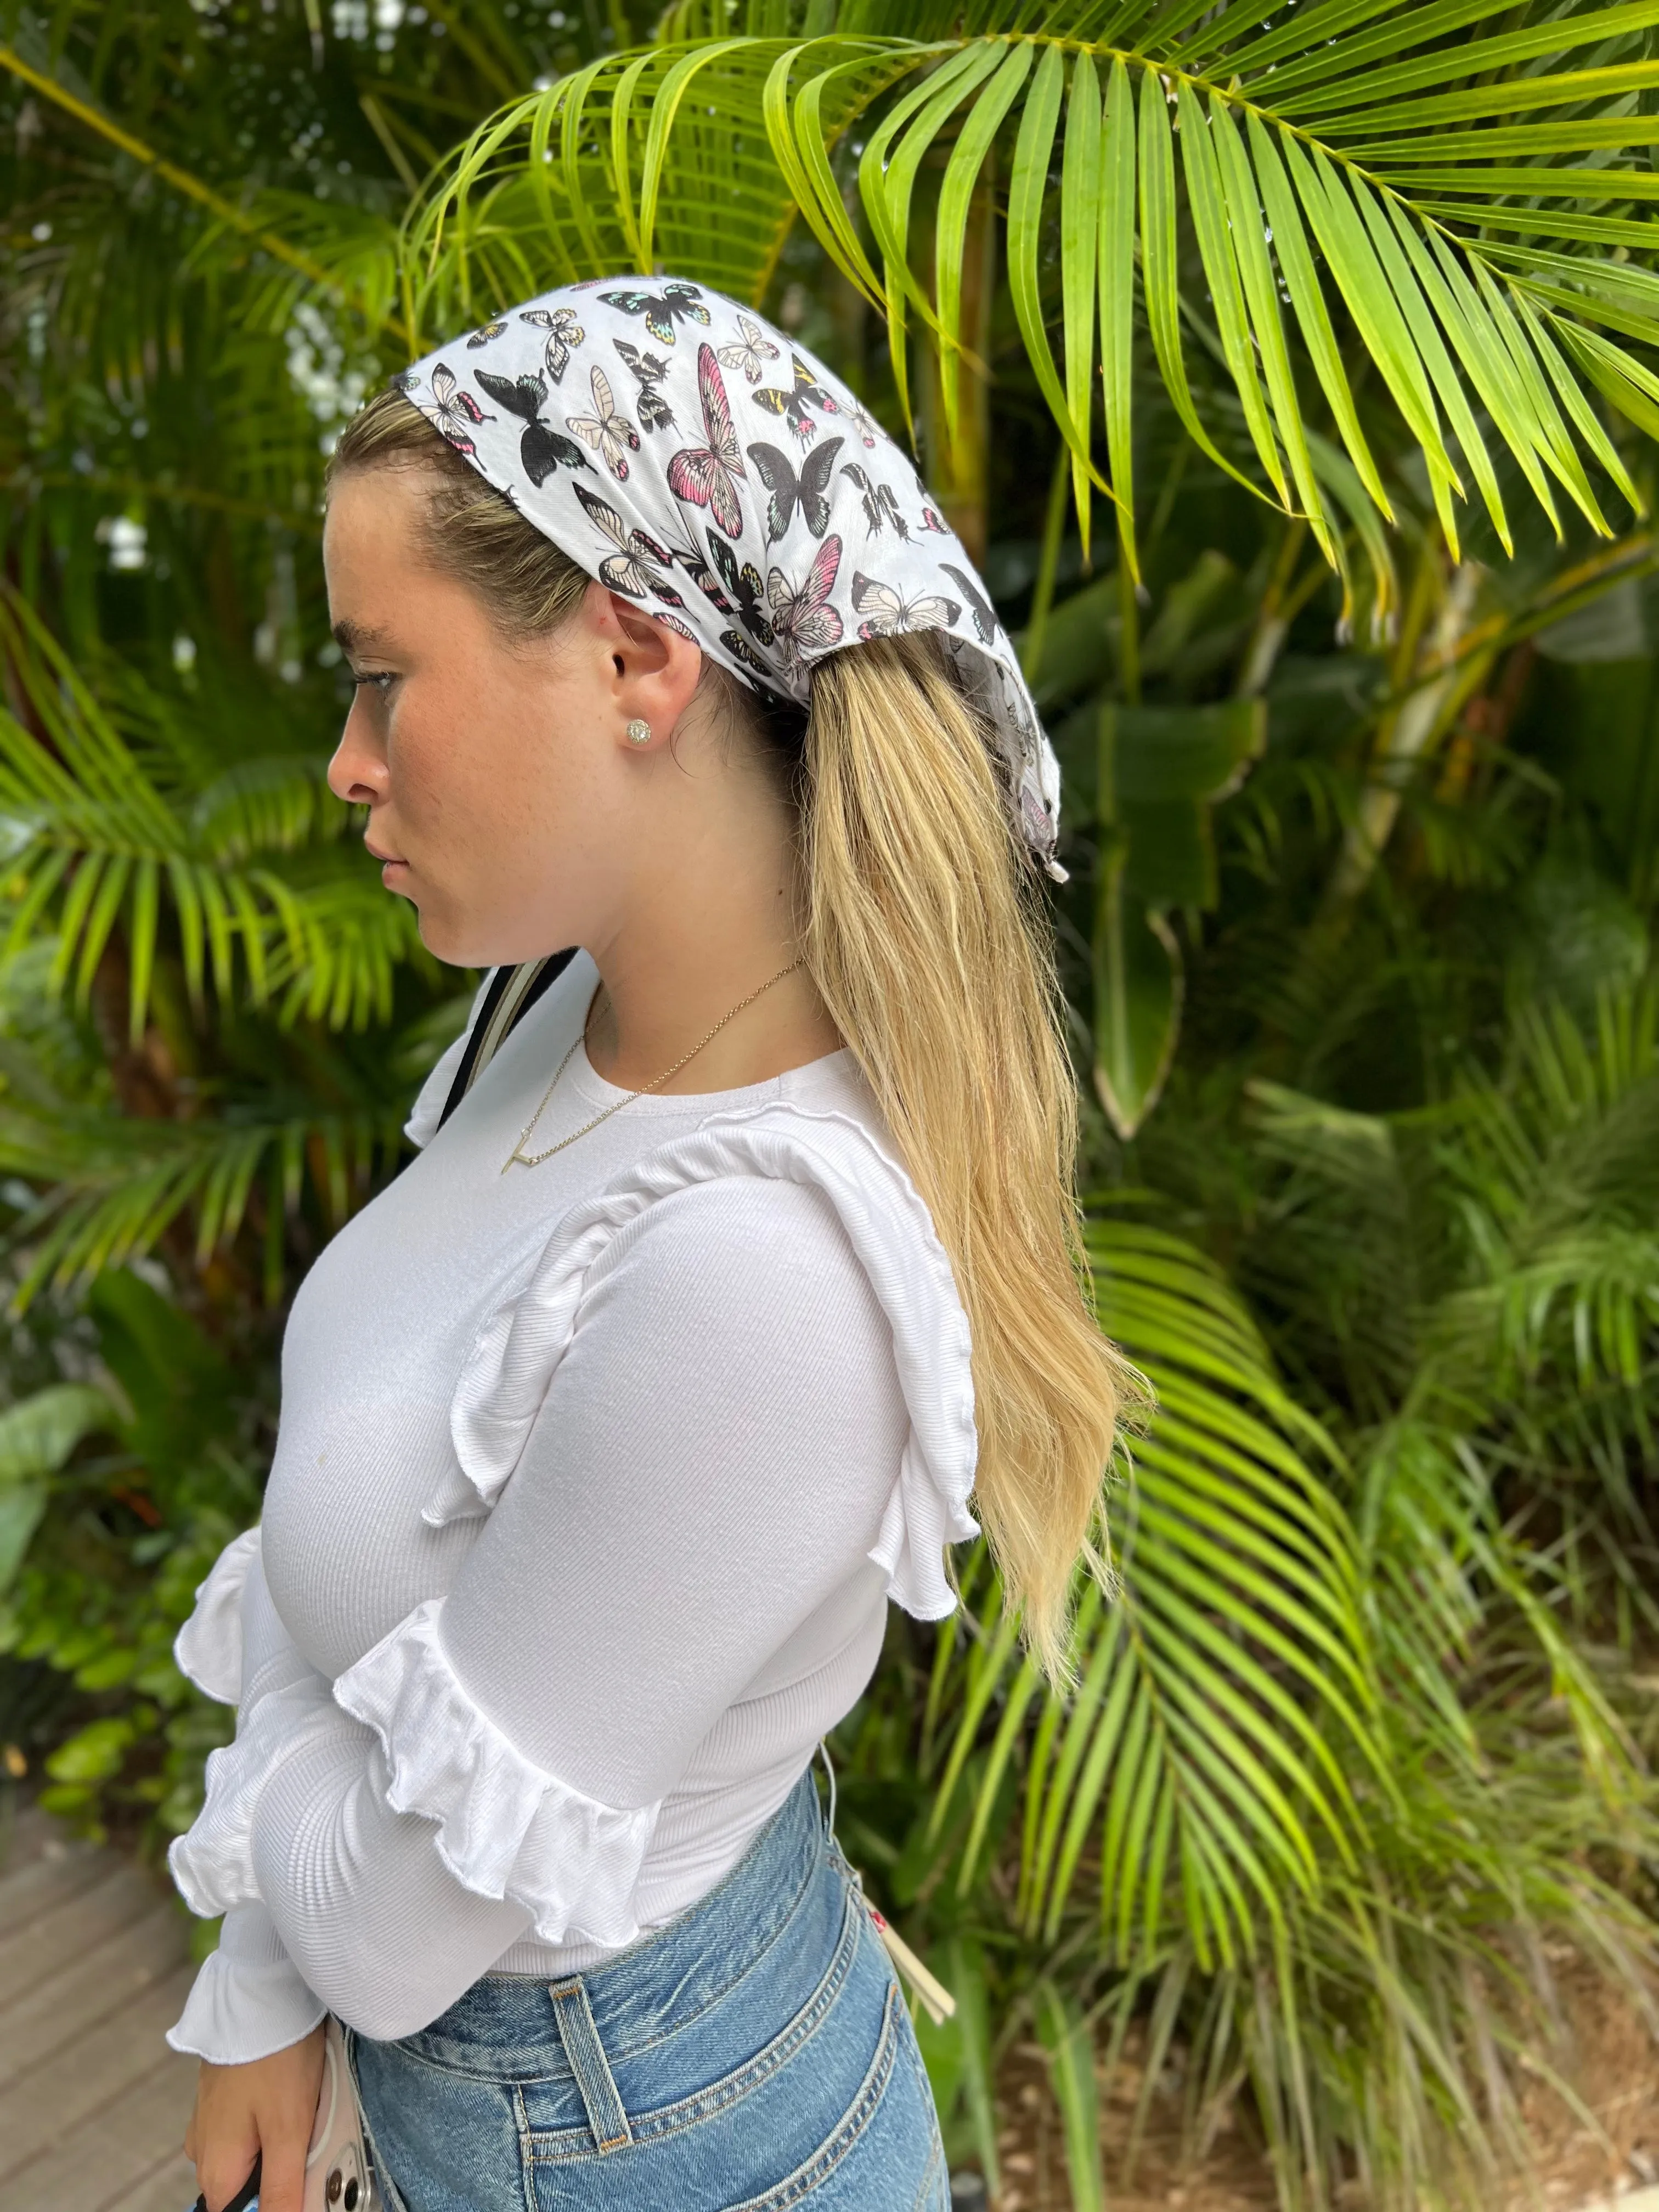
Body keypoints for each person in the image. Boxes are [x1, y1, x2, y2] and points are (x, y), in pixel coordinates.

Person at [167, 276, 1135, 2212]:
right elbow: (345, 1609)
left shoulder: (763, 1281)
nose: (347, 761)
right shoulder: (572, 1017)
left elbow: (392, 1930)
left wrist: (287, 1861)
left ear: (634, 657)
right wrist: (250, 1978)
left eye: (379, 672)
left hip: (637, 2143)